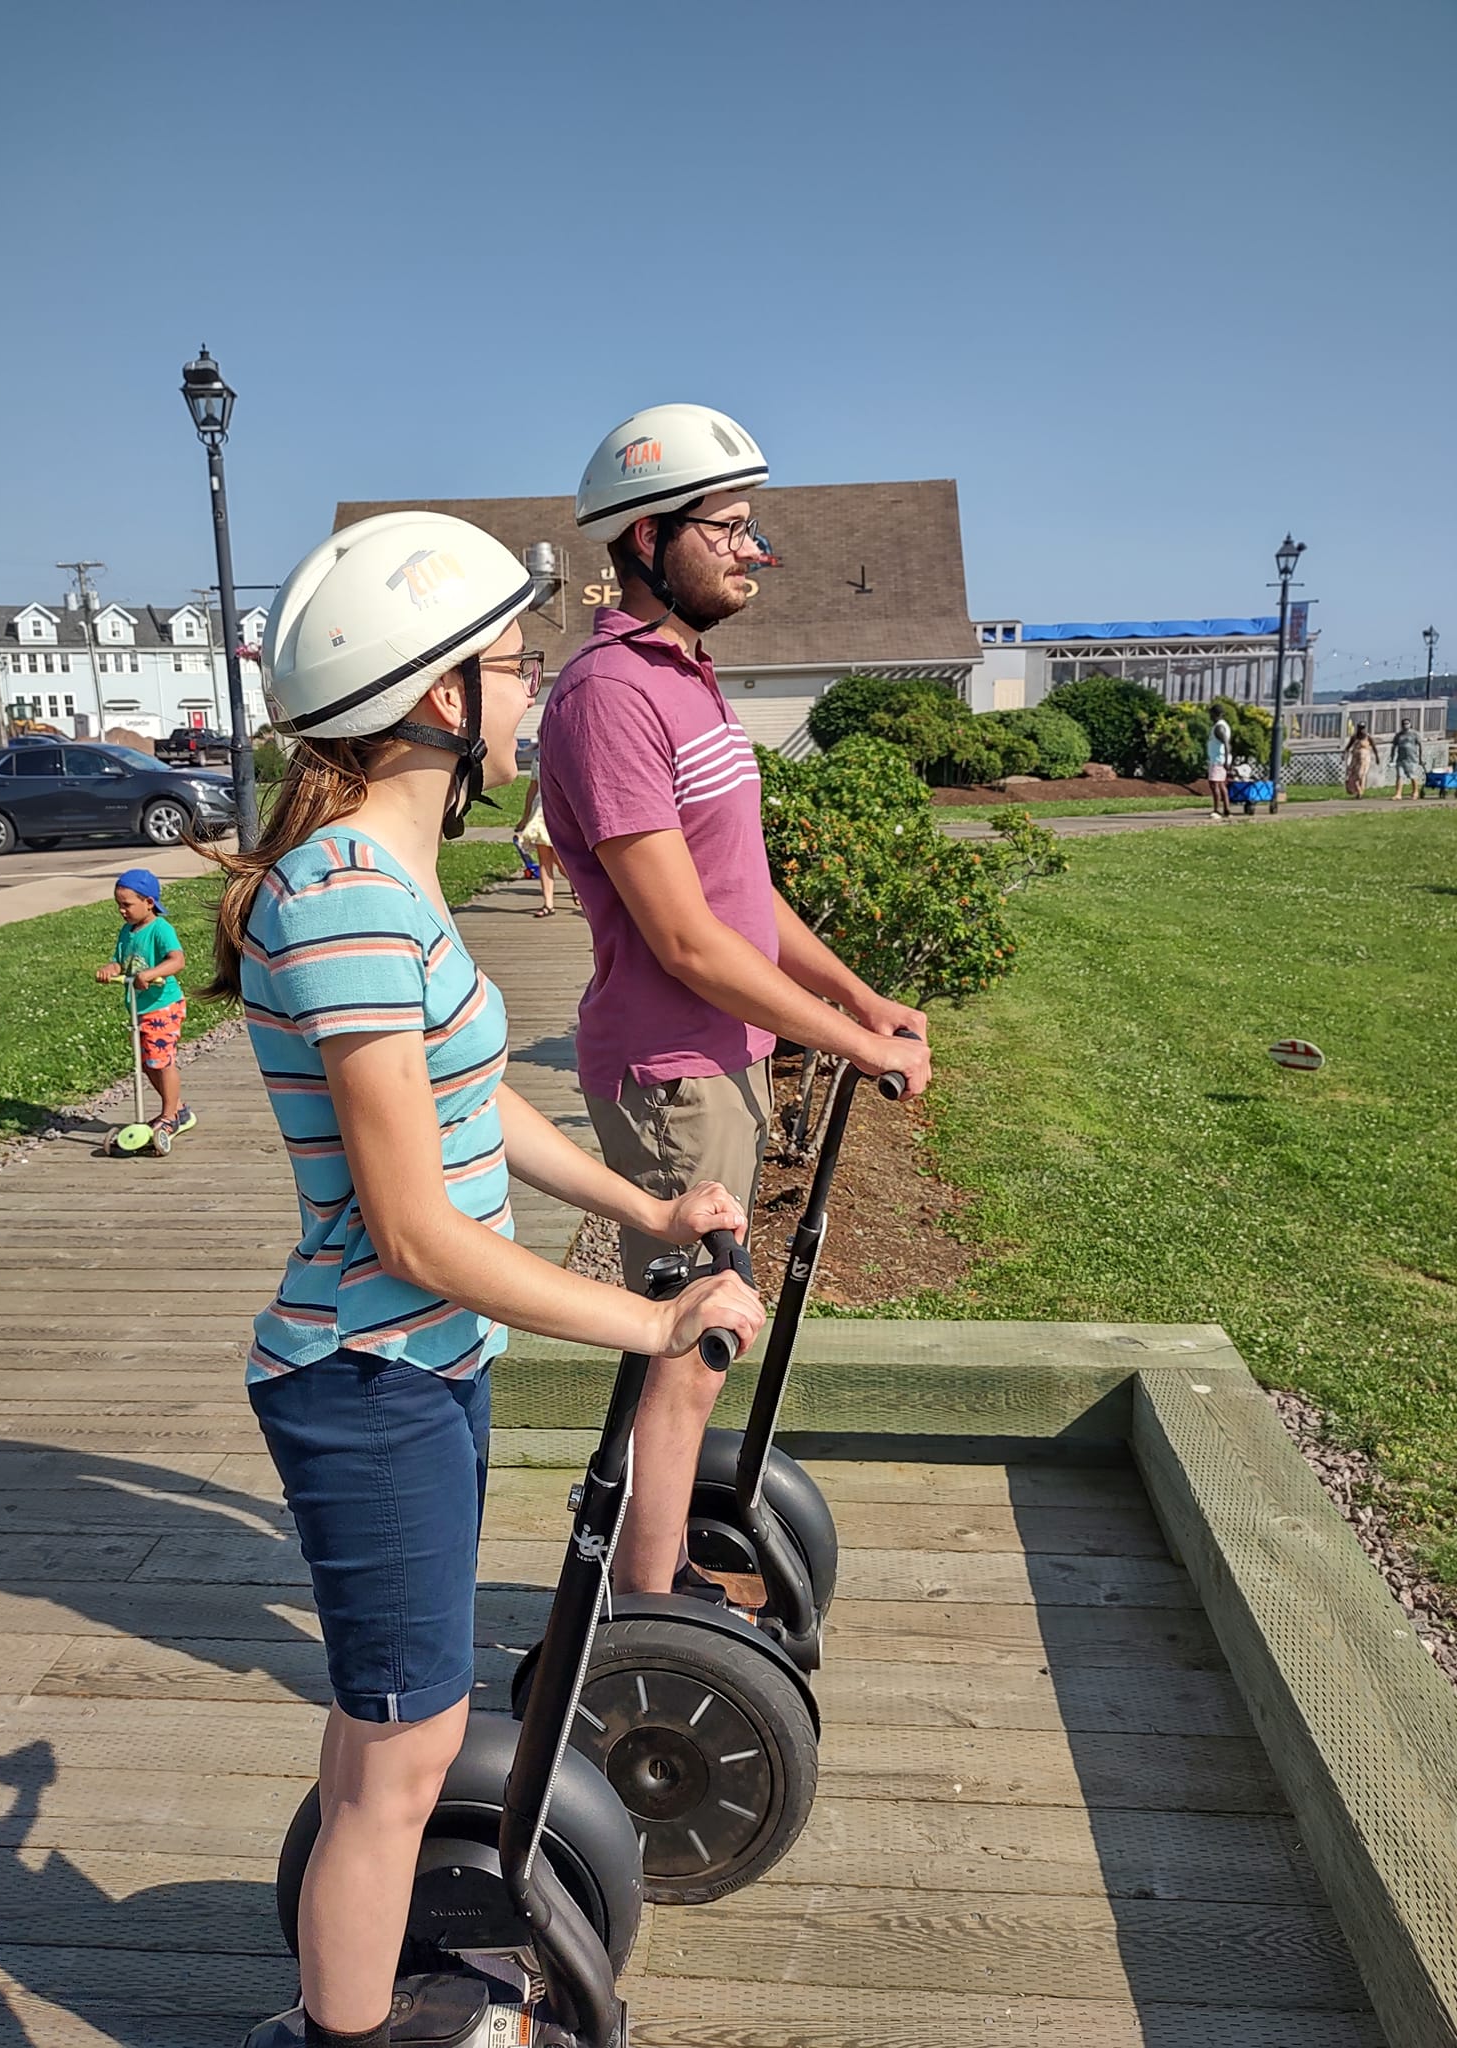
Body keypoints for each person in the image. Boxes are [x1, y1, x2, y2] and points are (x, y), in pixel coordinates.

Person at [206, 512, 763, 2048]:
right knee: (398, 1762)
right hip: (366, 1378)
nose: (536, 691)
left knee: (390, 1733)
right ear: (441, 697)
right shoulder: (346, 896)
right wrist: (652, 1318)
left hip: (419, 1367)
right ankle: (342, 2032)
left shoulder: (385, 880)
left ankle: (357, 1998)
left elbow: (474, 1104)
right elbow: (414, 1234)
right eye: (517, 665)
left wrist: (642, 1202)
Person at [540, 403, 933, 1602]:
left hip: (724, 1058)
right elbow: (683, 938)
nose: (752, 550)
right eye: (727, 527)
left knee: (707, 1334)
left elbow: (741, 897)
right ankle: (651, 1616)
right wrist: (854, 1043)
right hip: (672, 1070)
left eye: (753, 526)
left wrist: (860, 997)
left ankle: (658, 1573)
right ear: (647, 537)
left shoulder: (687, 677)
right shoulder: (611, 694)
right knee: (693, 1344)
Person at [93, 867, 195, 1153]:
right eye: (118, 905)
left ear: (149, 902)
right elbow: (120, 962)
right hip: (139, 1009)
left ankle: (169, 1116)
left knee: (161, 1061)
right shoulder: (127, 932)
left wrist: (151, 973)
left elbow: (177, 961)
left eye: (127, 904)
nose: (121, 910)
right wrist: (110, 969)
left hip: (163, 1006)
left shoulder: (161, 929)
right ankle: (178, 1109)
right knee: (146, 1062)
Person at [514, 754, 569, 916]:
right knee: (544, 859)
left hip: (559, 812)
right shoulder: (537, 759)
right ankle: (548, 903)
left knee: (561, 860)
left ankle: (578, 886)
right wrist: (525, 817)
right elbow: (533, 789)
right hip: (540, 814)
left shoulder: (565, 755)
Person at [1343, 721, 1380, 798]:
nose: (1361, 730)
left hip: (1364, 760)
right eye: (1360, 728)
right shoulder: (1354, 737)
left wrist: (1377, 757)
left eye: (1363, 728)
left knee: (1361, 775)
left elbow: (1374, 747)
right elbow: (1348, 747)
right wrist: (1344, 754)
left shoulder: (1368, 737)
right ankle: (1358, 790)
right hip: (1355, 759)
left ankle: (1361, 791)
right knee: (1353, 775)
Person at [1205, 715, 1232, 819]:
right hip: (1219, 759)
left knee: (1214, 784)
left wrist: (1226, 760)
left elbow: (1226, 744)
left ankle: (1217, 810)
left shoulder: (1219, 727)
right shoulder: (1223, 725)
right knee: (1221, 784)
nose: (1210, 716)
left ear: (1215, 714)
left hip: (1217, 760)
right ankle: (1226, 809)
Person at [1390, 718, 1424, 800]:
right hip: (1401, 758)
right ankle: (1398, 794)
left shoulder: (1415, 734)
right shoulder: (1398, 735)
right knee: (1399, 776)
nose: (1405, 725)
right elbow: (1394, 746)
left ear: (1410, 724)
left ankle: (1415, 792)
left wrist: (1420, 758)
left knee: (1412, 775)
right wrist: (1392, 758)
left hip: (1411, 759)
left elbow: (1420, 745)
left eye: (1407, 723)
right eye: (1404, 724)